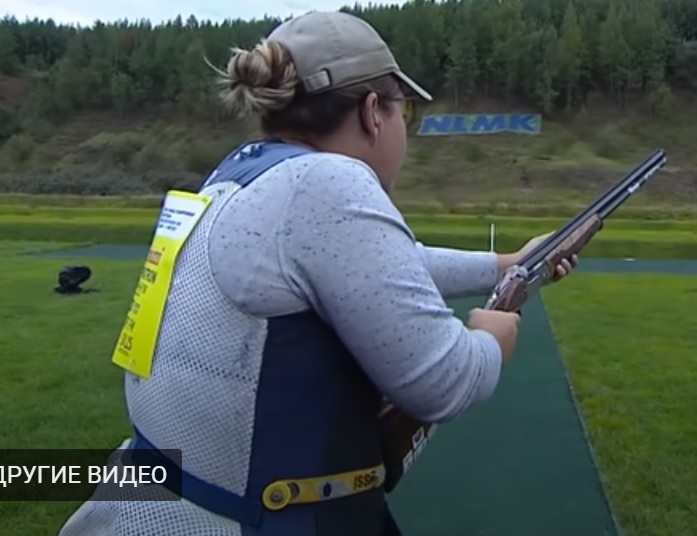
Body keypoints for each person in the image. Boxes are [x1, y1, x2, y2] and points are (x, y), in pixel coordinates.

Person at [57, 10, 577, 536]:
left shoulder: (238, 174)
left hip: (155, 503)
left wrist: (504, 265)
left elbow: (380, 266)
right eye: (404, 111)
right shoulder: (328, 183)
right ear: (373, 112)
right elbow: (445, 382)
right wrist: (491, 339)